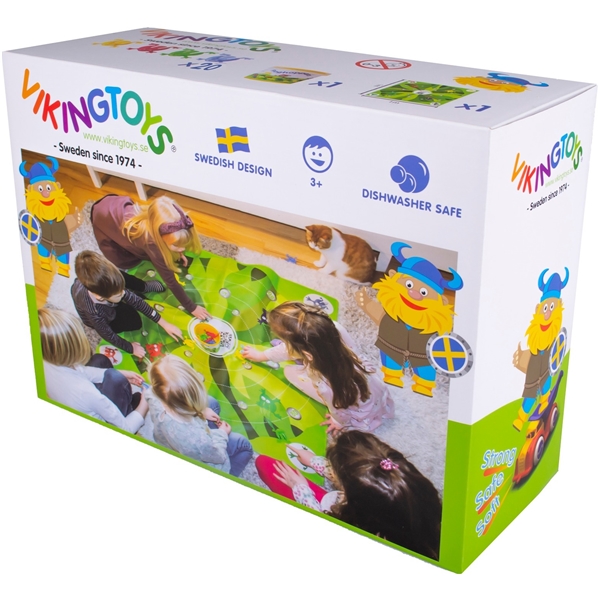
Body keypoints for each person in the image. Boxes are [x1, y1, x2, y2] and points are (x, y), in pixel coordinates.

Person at [257, 430, 442, 560]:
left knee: (264, 464)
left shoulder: (364, 530)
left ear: (357, 503)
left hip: (328, 510)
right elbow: (363, 476)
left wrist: (301, 490)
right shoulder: (406, 494)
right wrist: (314, 462)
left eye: (337, 475)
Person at [241, 302, 394, 433]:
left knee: (289, 372)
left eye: (287, 343)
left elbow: (338, 408)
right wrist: (262, 355)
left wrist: (338, 422)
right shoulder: (334, 328)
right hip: (372, 387)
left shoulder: (324, 384)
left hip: (354, 404)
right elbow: (288, 351)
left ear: (307, 354)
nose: (286, 347)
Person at [91, 194, 210, 320]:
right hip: (103, 220)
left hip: (111, 204)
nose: (182, 249)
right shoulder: (150, 242)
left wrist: (177, 250)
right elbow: (171, 281)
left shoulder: (155, 220)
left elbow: (174, 238)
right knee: (126, 260)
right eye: (176, 246)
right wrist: (191, 307)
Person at [39, 307, 148, 433]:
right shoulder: (87, 392)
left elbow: (82, 371)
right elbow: (125, 429)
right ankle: (130, 408)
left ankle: (127, 399)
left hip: (76, 395)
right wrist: (145, 401)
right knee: (125, 387)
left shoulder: (46, 358)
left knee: (100, 360)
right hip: (104, 417)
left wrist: (123, 373)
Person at [145, 354, 252, 476]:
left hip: (171, 440)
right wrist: (222, 433)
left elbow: (152, 393)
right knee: (243, 444)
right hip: (207, 457)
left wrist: (201, 411)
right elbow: (218, 455)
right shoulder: (195, 439)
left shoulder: (153, 394)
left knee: (211, 402)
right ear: (187, 405)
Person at [71, 250, 183, 359]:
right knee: (134, 321)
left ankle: (143, 286)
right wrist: (131, 348)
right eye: (119, 294)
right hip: (107, 315)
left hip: (107, 296)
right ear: (100, 297)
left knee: (123, 278)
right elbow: (109, 335)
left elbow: (137, 301)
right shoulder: (95, 314)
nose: (124, 293)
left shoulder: (108, 285)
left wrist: (164, 324)